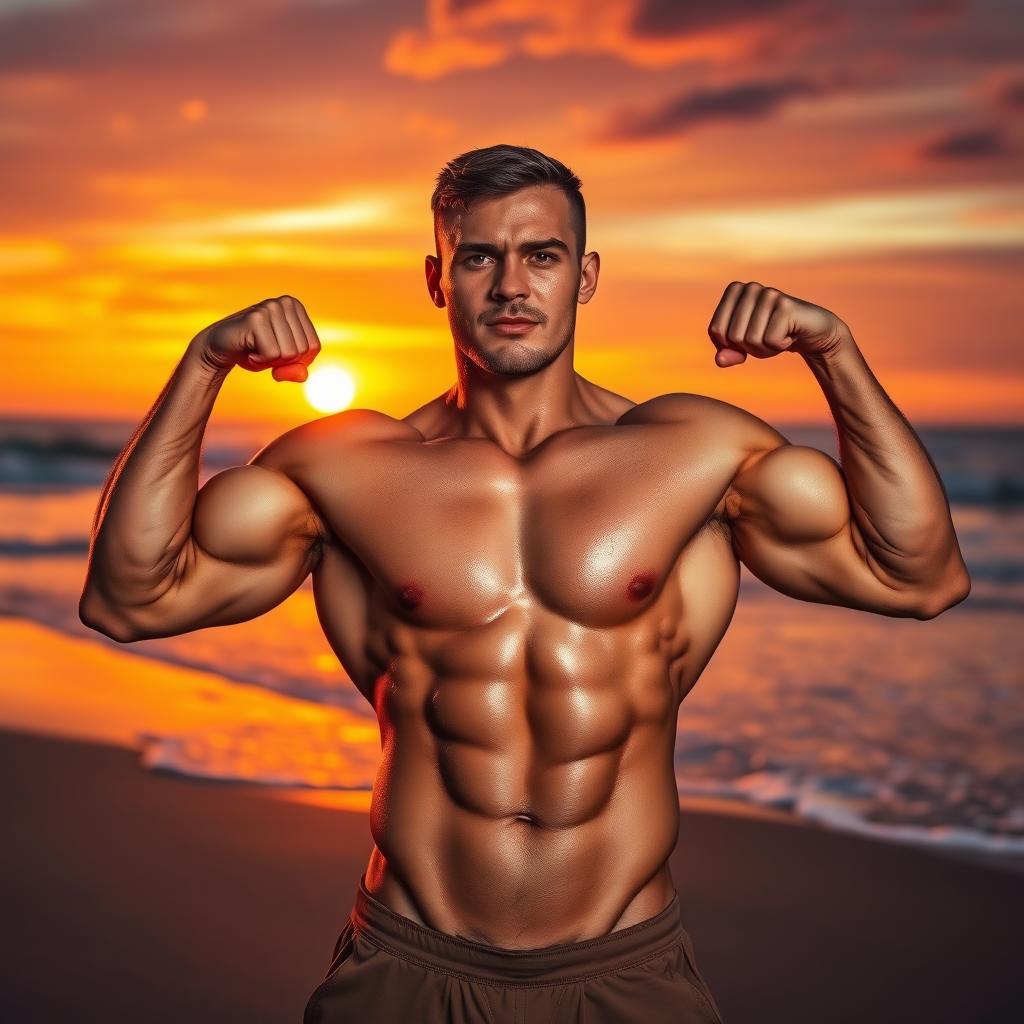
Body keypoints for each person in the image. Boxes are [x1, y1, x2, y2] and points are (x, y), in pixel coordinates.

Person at [79, 144, 971, 1023]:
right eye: (480, 257)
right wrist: (202, 365)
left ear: (584, 276)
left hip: (627, 969)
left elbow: (917, 574)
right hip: (408, 963)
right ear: (439, 278)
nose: (512, 286)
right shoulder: (349, 470)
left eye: (541, 256)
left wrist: (835, 352)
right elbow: (132, 597)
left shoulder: (695, 456)